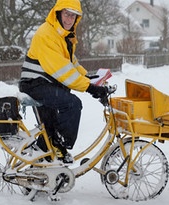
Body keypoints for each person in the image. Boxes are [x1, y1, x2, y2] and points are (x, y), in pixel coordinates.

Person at [19, 0, 108, 164]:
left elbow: (70, 62)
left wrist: (87, 77)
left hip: (46, 84)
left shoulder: (62, 36)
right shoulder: (46, 34)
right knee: (72, 104)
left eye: (73, 16)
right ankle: (60, 145)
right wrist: (89, 88)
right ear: (58, 13)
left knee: (50, 129)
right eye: (67, 14)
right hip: (35, 84)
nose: (69, 20)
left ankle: (42, 168)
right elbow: (62, 71)